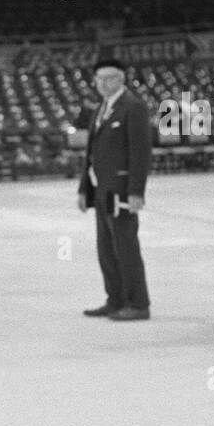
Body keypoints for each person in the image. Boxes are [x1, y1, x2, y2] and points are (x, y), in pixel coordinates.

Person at [78, 57, 152, 321]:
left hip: (120, 189)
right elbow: (92, 153)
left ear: (121, 79)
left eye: (109, 78)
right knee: (106, 248)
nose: (103, 83)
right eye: (99, 79)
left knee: (125, 246)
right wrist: (83, 189)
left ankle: (138, 303)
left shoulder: (133, 107)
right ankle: (115, 298)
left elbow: (140, 152)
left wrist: (136, 192)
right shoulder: (102, 107)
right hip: (101, 190)